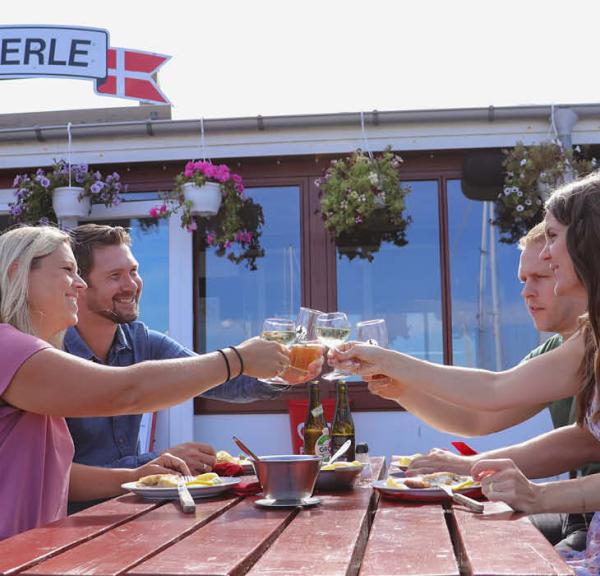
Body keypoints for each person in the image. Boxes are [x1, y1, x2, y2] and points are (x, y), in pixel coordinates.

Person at [329, 172, 600, 572]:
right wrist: (399, 386)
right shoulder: (585, 339)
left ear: (587, 242)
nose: (544, 261)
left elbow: (494, 392)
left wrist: (388, 360)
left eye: (553, 241)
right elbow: (480, 412)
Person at [0, 225, 289, 540]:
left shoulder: (31, 353)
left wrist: (135, 475)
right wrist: (236, 358)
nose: (79, 284)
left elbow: (54, 473)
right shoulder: (8, 348)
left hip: (35, 550)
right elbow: (128, 391)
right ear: (17, 274)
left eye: (133, 271)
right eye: (68, 270)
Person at [65, 224, 317, 484]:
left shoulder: (142, 341)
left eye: (134, 271)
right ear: (80, 286)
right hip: (68, 519)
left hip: (129, 507)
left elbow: (220, 382)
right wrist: (151, 463)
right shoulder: (52, 356)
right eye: (115, 276)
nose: (131, 285)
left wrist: (284, 372)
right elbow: (54, 475)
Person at [403, 222, 592, 552]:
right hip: (576, 512)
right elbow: (478, 417)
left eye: (543, 276)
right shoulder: (554, 351)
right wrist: (398, 389)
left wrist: (466, 466)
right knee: (466, 537)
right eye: (523, 280)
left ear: (579, 272)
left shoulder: (587, 348)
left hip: (587, 516)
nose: (526, 292)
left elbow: (584, 442)